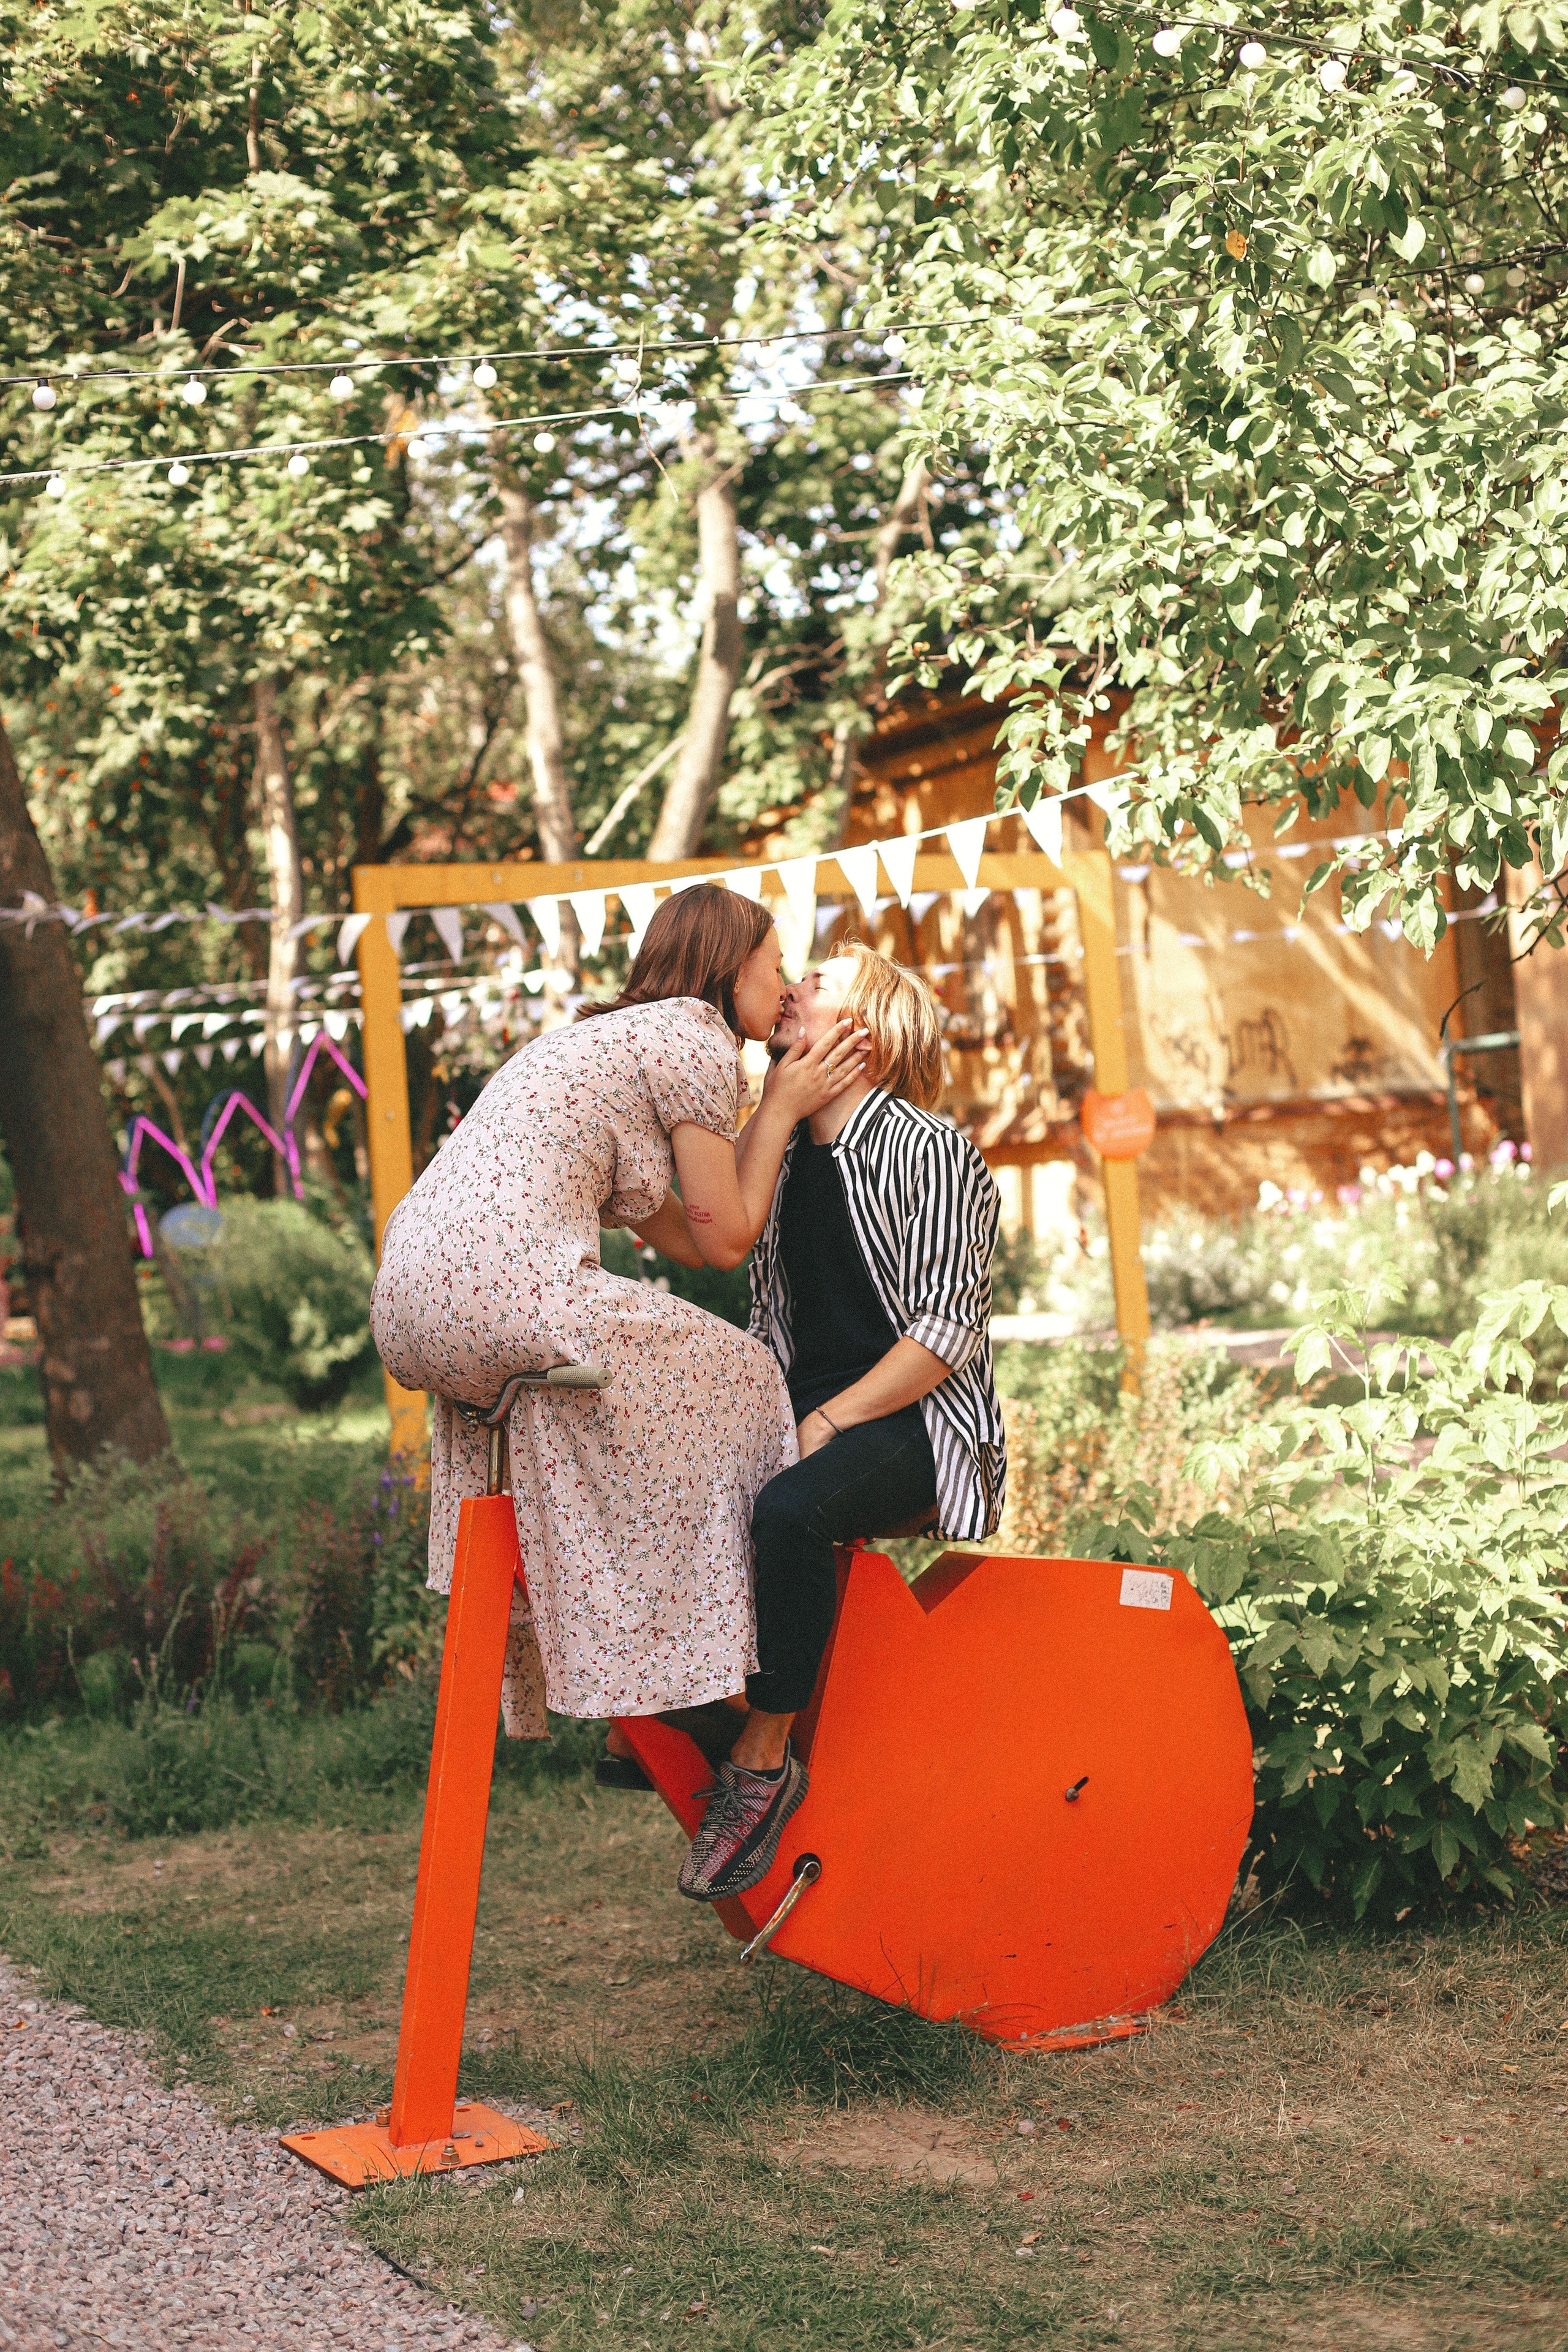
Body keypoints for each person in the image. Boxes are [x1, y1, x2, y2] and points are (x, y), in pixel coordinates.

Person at [369, 887, 870, 1743]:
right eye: (776, 965)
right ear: (728, 964)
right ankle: (726, 1658)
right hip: (507, 1285)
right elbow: (725, 1243)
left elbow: (679, 1233)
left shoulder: (597, 1043)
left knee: (611, 1401)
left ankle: (641, 1671)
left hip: (413, 1299)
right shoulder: (693, 1037)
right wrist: (782, 1107)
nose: (786, 987)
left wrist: (761, 1123)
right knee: (743, 1374)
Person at [674, 940, 1006, 1902]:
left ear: (865, 1031)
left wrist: (829, 1421)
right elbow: (765, 1321)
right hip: (808, 1418)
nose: (788, 990)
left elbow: (946, 1330)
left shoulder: (932, 1150)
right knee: (675, 1479)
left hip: (913, 1423)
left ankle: (765, 1762)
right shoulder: (773, 1158)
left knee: (788, 1513)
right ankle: (688, 1707)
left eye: (813, 983)